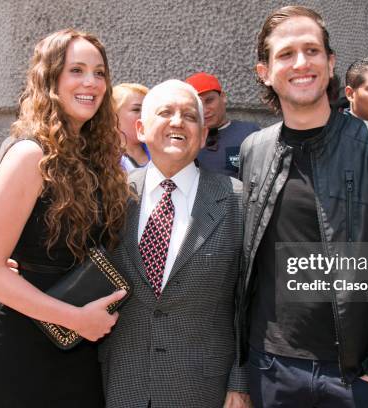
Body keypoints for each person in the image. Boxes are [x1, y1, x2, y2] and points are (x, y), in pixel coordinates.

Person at [237, 6, 368, 407]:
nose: (301, 62)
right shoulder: (254, 149)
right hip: (270, 365)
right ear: (265, 72)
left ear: (330, 62)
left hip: (353, 374)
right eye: (286, 54)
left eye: (312, 50)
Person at [0, 29, 131, 408]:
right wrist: (75, 318)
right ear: (50, 79)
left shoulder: (96, 158)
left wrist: (80, 322)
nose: (91, 82)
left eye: (99, 73)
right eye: (76, 70)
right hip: (23, 340)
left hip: (80, 338)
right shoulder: (30, 154)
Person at [100, 80, 250, 408]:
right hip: (122, 384)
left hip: (203, 388)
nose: (177, 122)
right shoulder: (110, 196)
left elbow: (248, 300)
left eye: (189, 116)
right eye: (165, 112)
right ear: (140, 128)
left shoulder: (237, 200)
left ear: (204, 131)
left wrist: (241, 381)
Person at [185, 72, 259, 177]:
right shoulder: (186, 140)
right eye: (197, 105)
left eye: (209, 100)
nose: (205, 110)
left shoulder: (249, 133)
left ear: (223, 97)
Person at [113, 83, 151, 172]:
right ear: (113, 117)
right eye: (136, 109)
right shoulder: (102, 159)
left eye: (148, 109)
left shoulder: (159, 151)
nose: (146, 114)